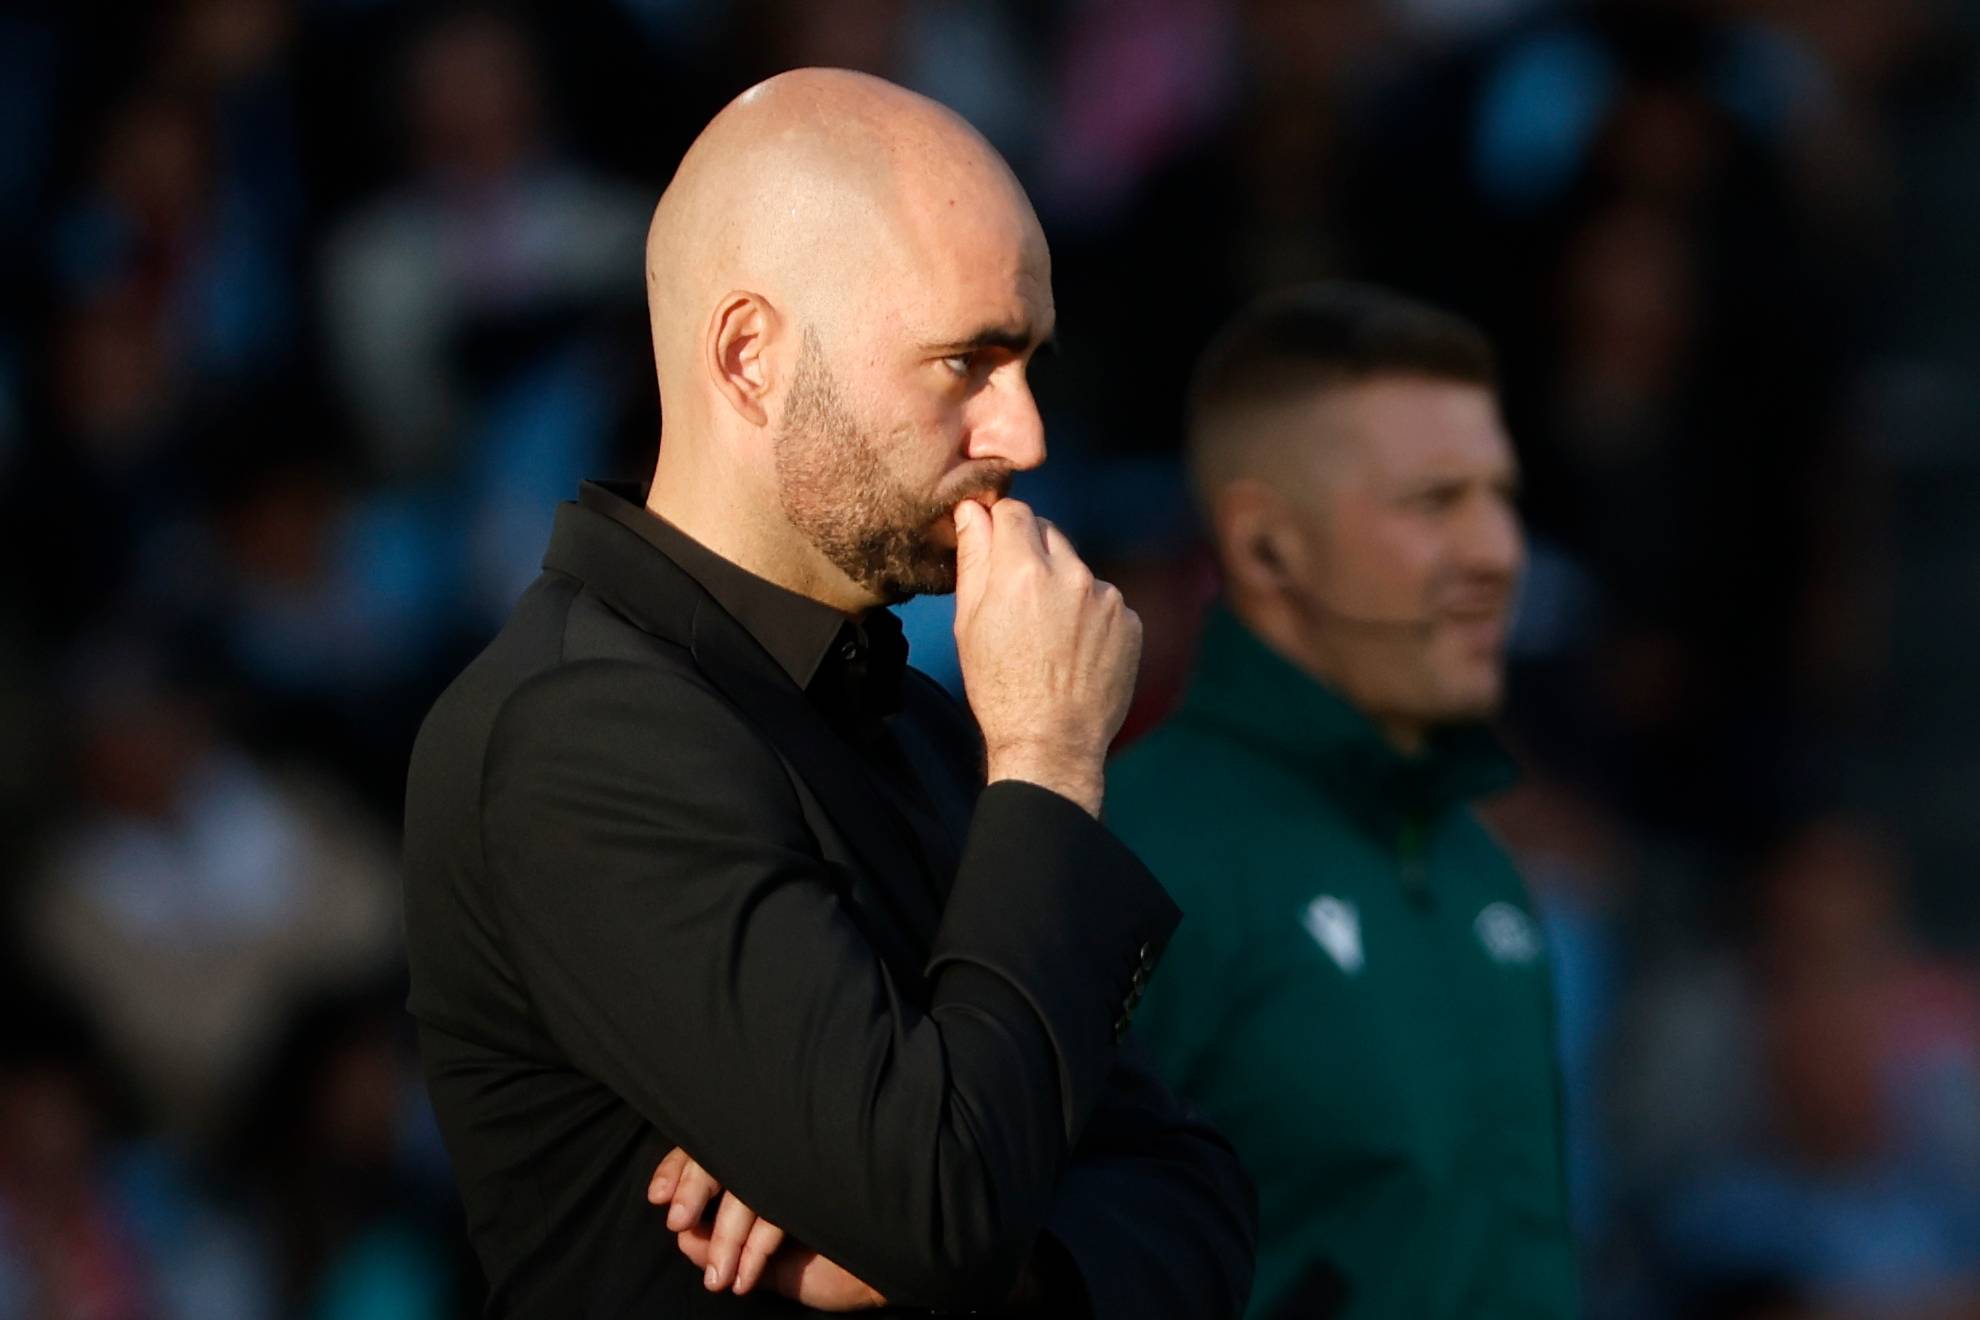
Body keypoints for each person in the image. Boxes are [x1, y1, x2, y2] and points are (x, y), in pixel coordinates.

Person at [401, 69, 1255, 1318]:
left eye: (1027, 364)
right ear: (750, 358)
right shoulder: (581, 729)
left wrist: (986, 1236)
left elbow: (1200, 1190)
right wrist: (1052, 762)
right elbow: (948, 1199)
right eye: (967, 361)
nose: (1025, 437)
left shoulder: (906, 718)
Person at [1106, 282, 1577, 1319]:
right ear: (1268, 547)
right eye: (1433, 502)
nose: (1500, 553)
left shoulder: (1479, 870)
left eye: (1500, 497)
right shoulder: (1131, 860)